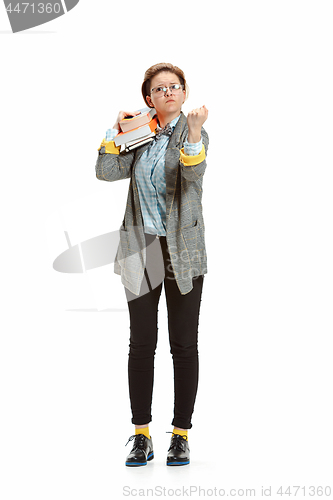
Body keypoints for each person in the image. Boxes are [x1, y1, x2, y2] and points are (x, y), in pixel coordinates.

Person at [95, 63, 209, 466]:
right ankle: (141, 434)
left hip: (184, 249)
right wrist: (116, 131)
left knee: (184, 344)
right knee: (142, 342)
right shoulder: (139, 134)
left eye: (174, 86)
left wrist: (194, 133)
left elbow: (192, 181)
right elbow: (106, 172)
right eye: (159, 89)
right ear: (149, 98)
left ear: (184, 93)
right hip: (140, 248)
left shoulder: (194, 133)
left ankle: (181, 434)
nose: (168, 92)